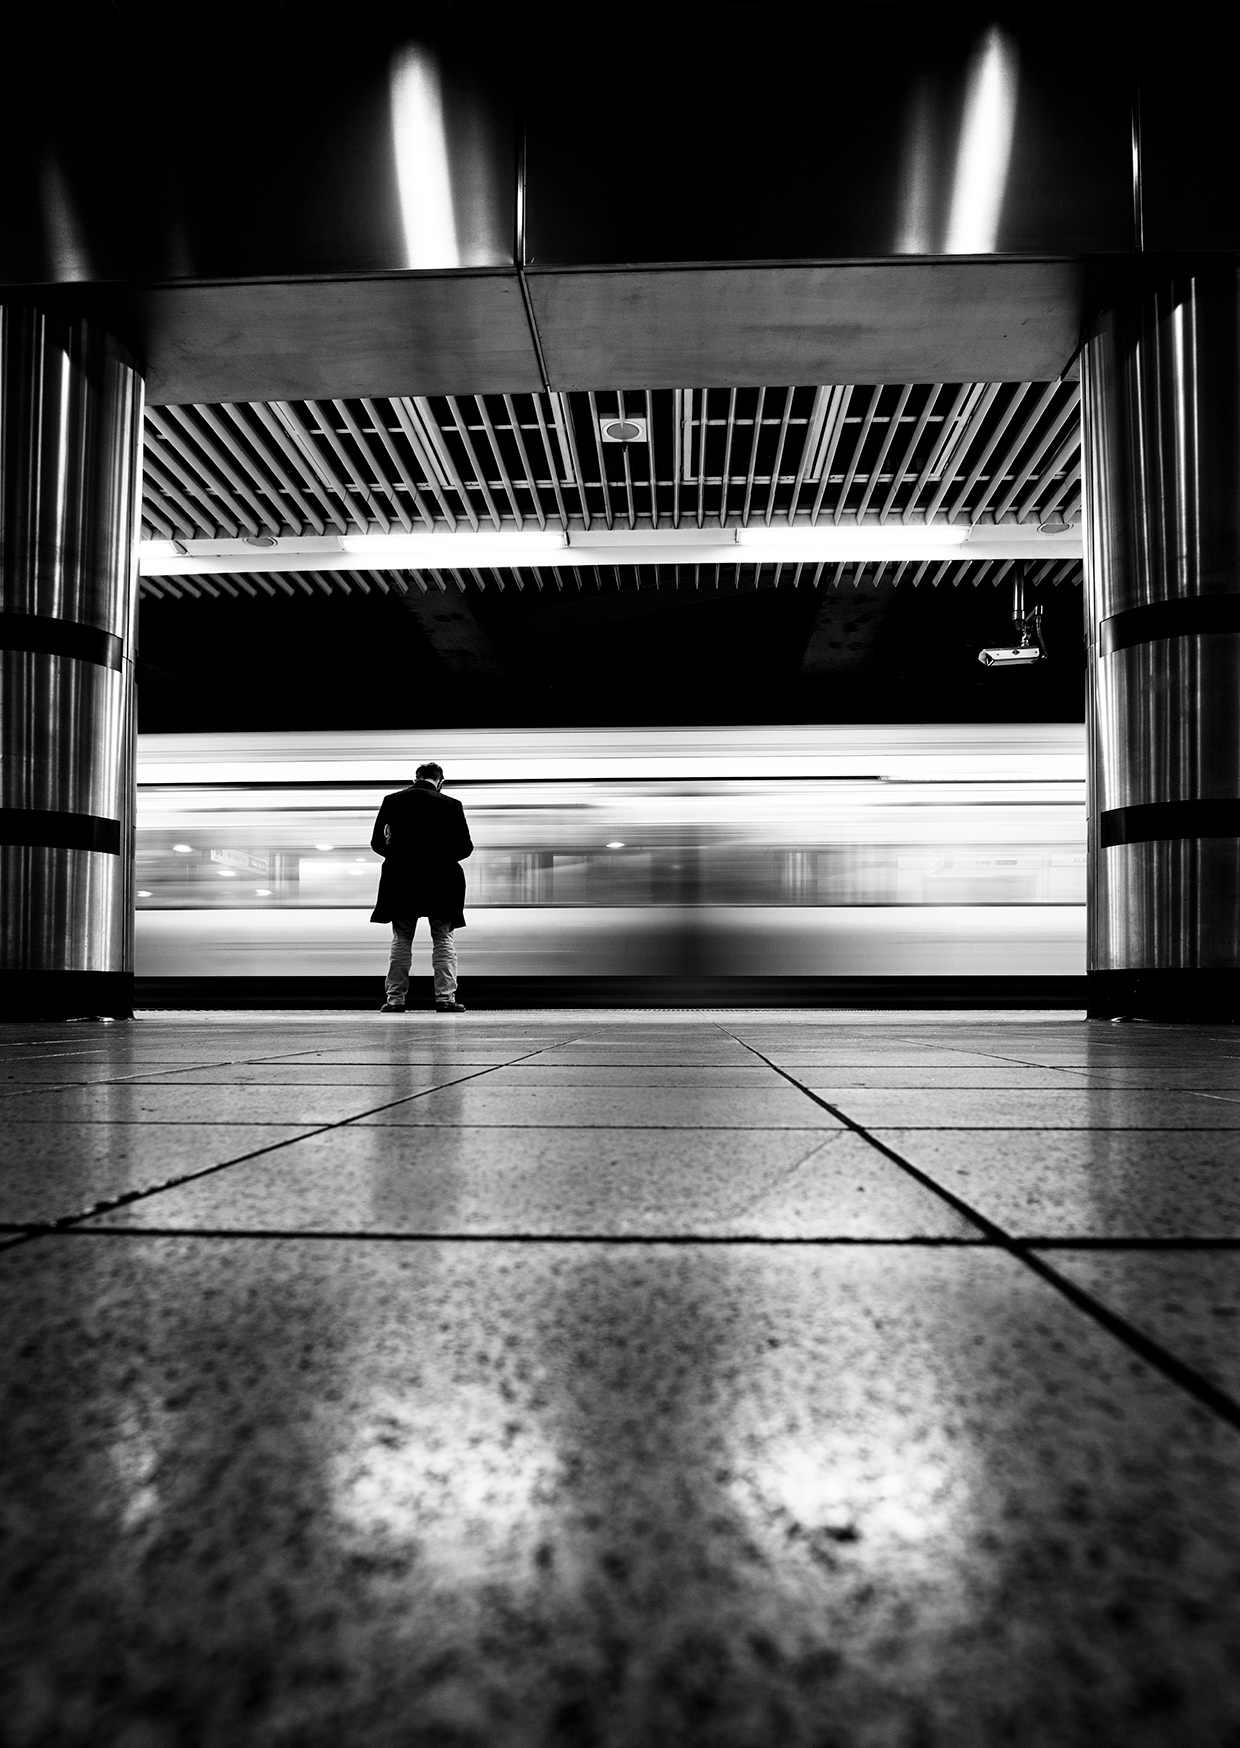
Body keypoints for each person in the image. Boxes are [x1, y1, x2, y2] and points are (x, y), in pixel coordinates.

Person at [370, 761, 473, 1014]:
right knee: (443, 939)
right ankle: (445, 998)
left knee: (402, 939)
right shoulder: (451, 804)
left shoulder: (392, 801)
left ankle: (395, 999)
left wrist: (398, 856)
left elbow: (376, 843)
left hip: (401, 880)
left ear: (416, 778)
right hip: (442, 881)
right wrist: (441, 858)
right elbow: (466, 847)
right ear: (440, 781)